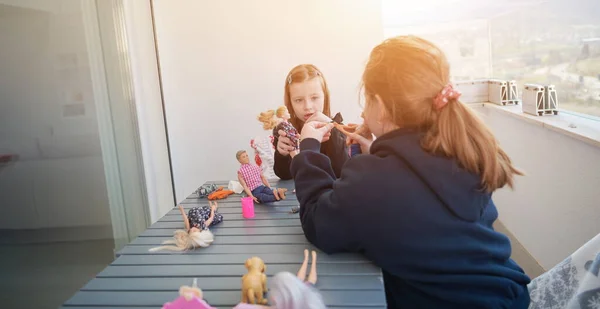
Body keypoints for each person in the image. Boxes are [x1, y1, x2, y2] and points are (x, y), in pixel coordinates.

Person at [290, 36, 532, 308]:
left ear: (380, 106)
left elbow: (318, 221)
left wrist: (308, 150)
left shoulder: (375, 179)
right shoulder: (458, 148)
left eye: (367, 99)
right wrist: (378, 155)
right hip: (509, 295)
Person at [273, 64, 349, 180]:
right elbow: (284, 175)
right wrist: (282, 155)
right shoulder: (285, 130)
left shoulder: (338, 129)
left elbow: (342, 171)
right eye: (298, 100)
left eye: (314, 98)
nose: (307, 106)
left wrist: (332, 128)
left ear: (325, 97)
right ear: (290, 103)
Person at [149, 202, 222, 252]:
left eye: (191, 231)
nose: (192, 229)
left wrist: (182, 211)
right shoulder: (203, 225)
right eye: (194, 231)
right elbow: (211, 217)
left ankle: (213, 206)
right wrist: (212, 209)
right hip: (205, 213)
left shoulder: (189, 228)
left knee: (210, 209)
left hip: (196, 213)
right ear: (200, 231)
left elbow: (186, 220)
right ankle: (214, 206)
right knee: (212, 211)